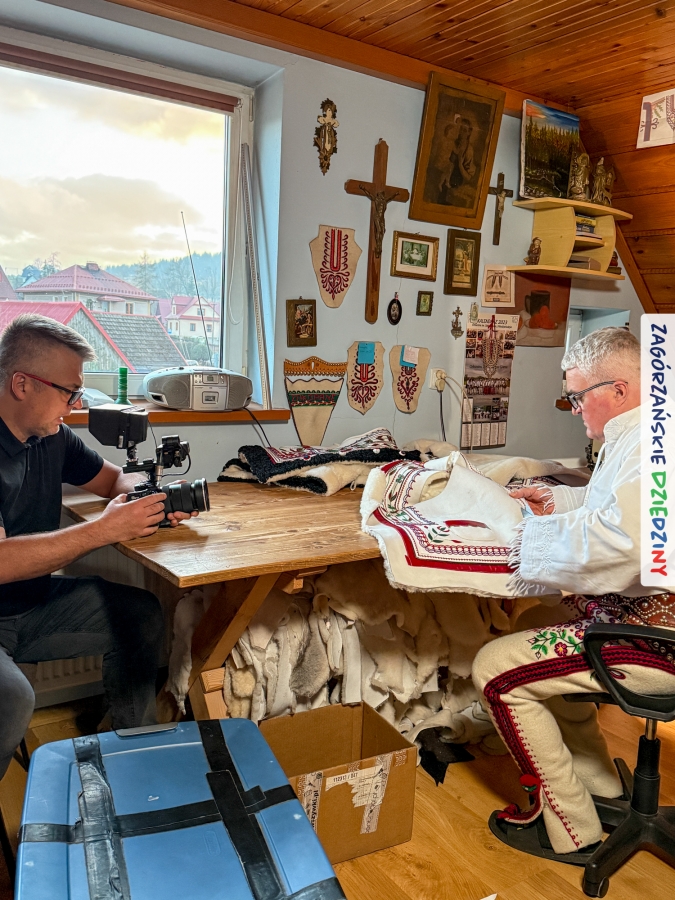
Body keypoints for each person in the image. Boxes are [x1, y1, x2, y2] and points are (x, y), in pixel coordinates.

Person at [472, 327, 675, 864]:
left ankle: (570, 827)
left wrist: (527, 537)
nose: (575, 408)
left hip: (659, 640)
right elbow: (612, 504)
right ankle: (599, 783)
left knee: (494, 670)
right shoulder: (647, 432)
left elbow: (630, 545)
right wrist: (554, 503)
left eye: (578, 396)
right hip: (651, 616)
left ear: (619, 390)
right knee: (532, 621)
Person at [0, 314, 198, 781]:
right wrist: (104, 530)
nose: (75, 406)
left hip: (32, 607)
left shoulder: (51, 436)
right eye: (69, 392)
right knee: (13, 699)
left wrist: (150, 499)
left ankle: (135, 755)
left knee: (139, 615)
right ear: (22, 384)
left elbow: (113, 481)